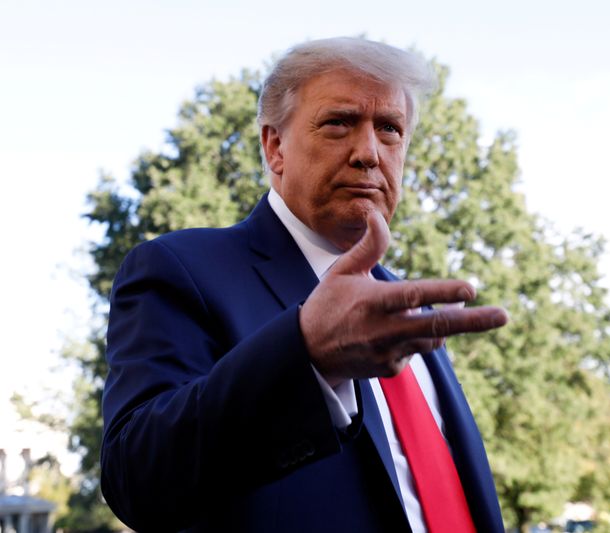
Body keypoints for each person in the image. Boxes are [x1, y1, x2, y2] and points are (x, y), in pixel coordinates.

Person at [101, 37, 509, 532]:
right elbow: (136, 479)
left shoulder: (412, 310)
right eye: (339, 122)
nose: (368, 153)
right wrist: (305, 355)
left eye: (390, 129)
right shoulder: (178, 269)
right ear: (274, 146)